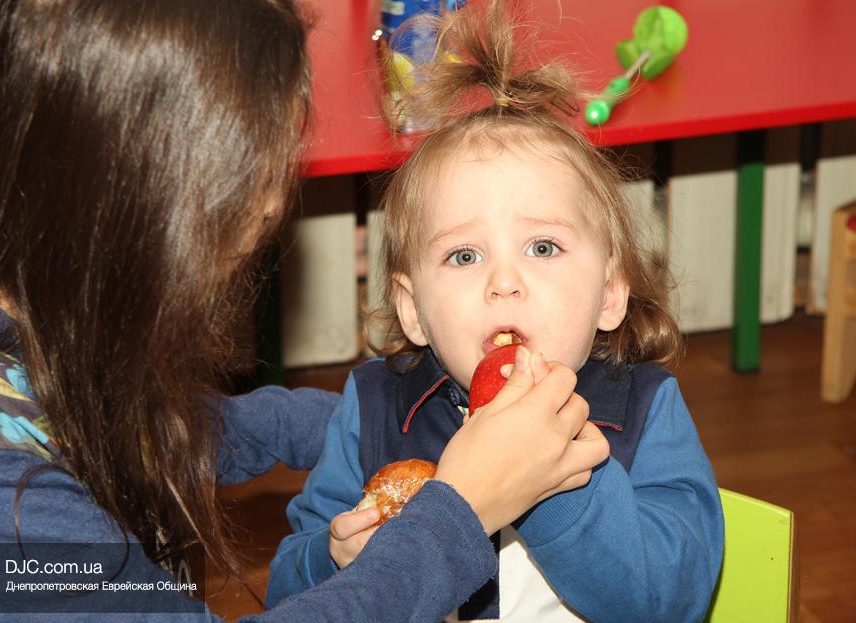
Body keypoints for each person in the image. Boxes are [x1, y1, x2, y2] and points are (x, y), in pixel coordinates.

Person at [0, 0, 611, 621]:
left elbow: (178, 430)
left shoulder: (39, 332)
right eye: (246, 190)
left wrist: (381, 420)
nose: (272, 210)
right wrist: (461, 511)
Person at [266, 2, 725, 621]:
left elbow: (674, 602)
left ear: (610, 293)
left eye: (543, 247)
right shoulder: (369, 410)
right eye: (464, 255)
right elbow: (285, 592)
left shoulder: (648, 411)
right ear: (413, 310)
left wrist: (550, 478)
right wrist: (332, 559)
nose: (504, 282)